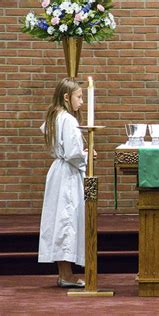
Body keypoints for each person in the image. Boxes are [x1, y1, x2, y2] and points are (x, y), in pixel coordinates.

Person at [38, 78, 87, 288]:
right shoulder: (67, 119)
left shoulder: (54, 116)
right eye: (79, 97)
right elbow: (73, 153)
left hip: (58, 171)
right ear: (67, 97)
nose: (82, 102)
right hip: (67, 173)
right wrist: (88, 155)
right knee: (67, 221)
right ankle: (67, 275)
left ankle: (63, 272)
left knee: (59, 220)